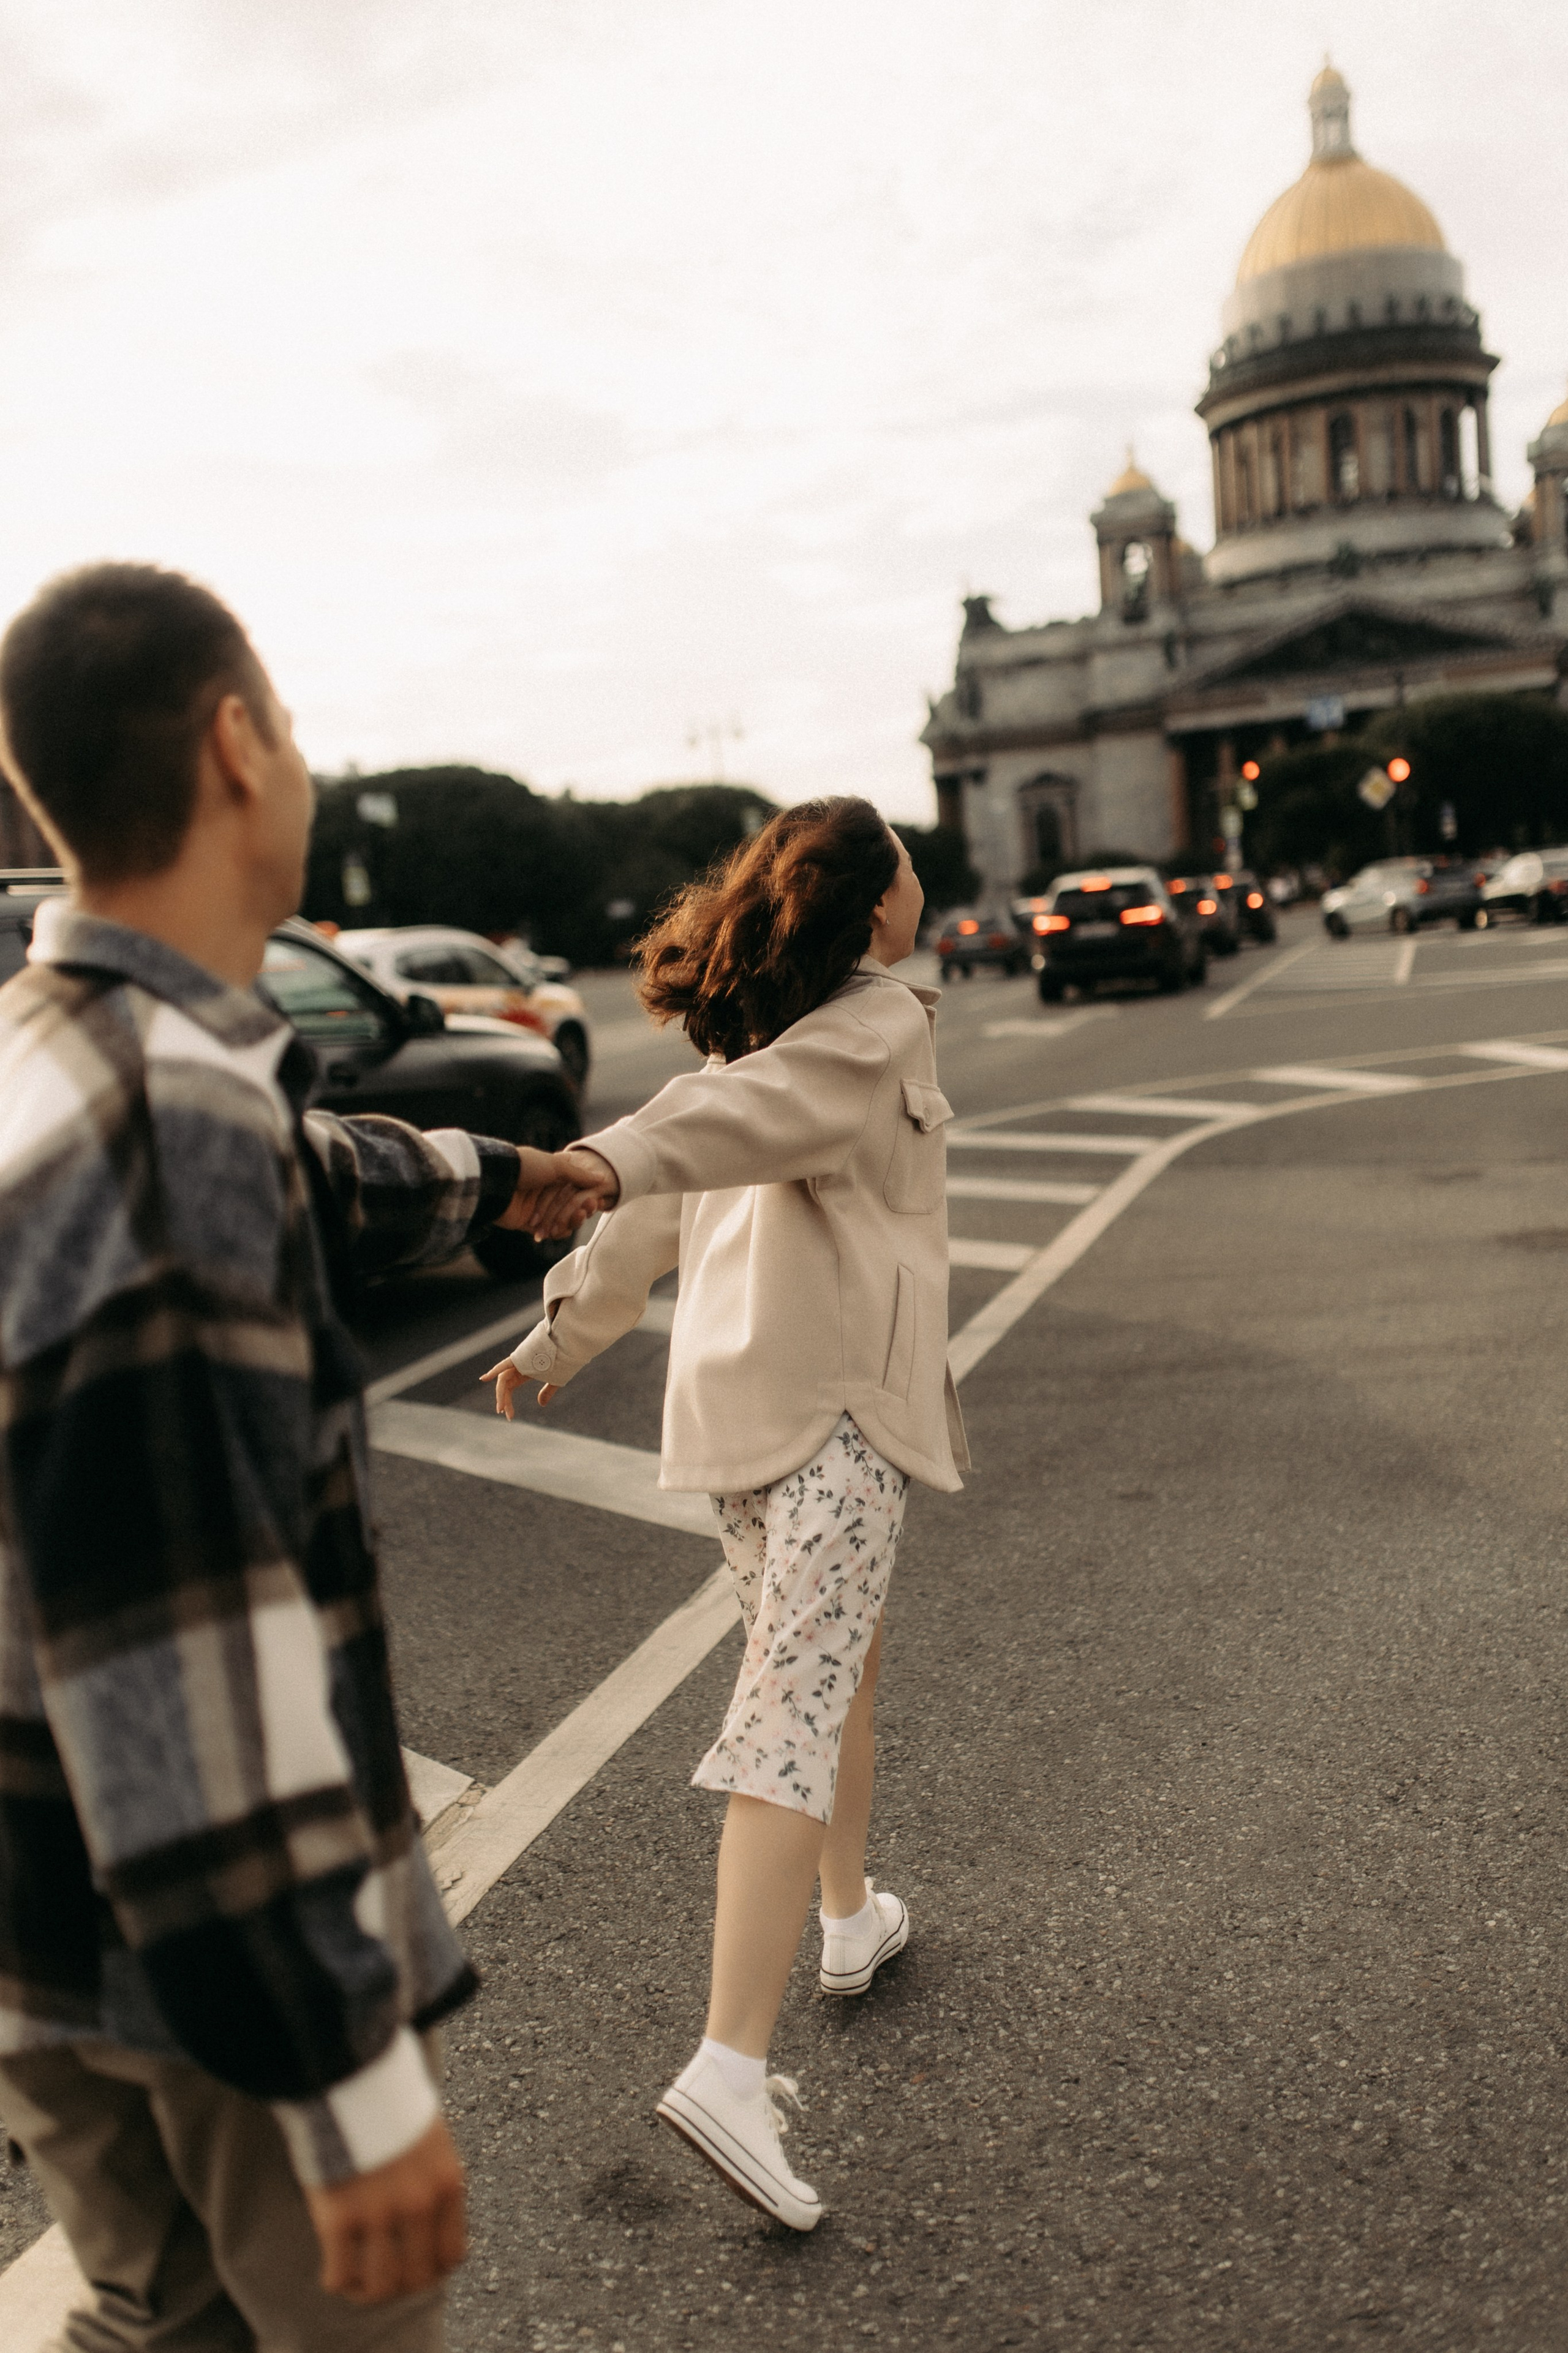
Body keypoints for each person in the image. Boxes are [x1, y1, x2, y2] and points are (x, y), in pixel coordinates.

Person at [0, 563, 598, 2351]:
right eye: (300, 728)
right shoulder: (170, 1128)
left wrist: (493, 1179)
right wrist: (348, 2082)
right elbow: (182, 1651)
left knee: (151, 2319)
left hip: (44, 1925)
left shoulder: (58, 1058)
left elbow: (297, 1168)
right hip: (207, 1982)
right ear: (236, 743)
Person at [483, 797, 967, 2231]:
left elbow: (664, 1187)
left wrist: (559, 1329)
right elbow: (698, 1145)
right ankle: (728, 2069)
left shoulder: (756, 1032)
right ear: (875, 903)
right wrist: (609, 1173)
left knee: (832, 1668)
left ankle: (846, 1918)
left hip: (740, 1429)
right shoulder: (873, 1023)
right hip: (830, 1416)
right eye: (903, 860)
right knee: (793, 1707)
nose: (914, 877)